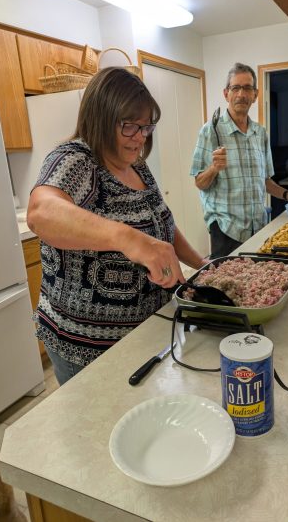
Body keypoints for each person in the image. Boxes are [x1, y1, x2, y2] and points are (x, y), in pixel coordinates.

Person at [27, 67, 207, 385]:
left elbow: (163, 224)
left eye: (146, 126)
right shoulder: (77, 160)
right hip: (87, 347)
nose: (140, 136)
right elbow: (41, 213)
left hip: (145, 331)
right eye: (129, 125)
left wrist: (202, 265)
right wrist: (128, 238)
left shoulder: (138, 166)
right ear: (101, 118)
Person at [190, 62, 288, 259]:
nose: (241, 94)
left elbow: (264, 181)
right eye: (236, 88)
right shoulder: (210, 131)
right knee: (226, 278)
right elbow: (199, 182)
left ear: (255, 95)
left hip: (258, 226)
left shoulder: (260, 133)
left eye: (247, 88)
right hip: (226, 229)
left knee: (259, 276)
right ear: (226, 94)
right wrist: (214, 168)